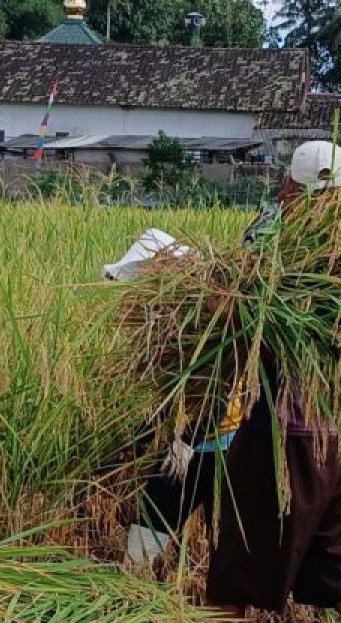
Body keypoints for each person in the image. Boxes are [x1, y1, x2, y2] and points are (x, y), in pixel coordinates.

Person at [206, 141, 341, 623]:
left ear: (291, 187)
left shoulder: (272, 233)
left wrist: (214, 301)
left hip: (280, 423)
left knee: (243, 541)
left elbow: (241, 312)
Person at [103, 230, 241, 565]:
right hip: (192, 439)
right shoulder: (171, 315)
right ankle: (134, 584)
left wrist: (185, 440)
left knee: (226, 541)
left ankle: (212, 606)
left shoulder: (210, 311)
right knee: (158, 512)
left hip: (220, 441)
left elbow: (216, 384)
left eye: (153, 269)